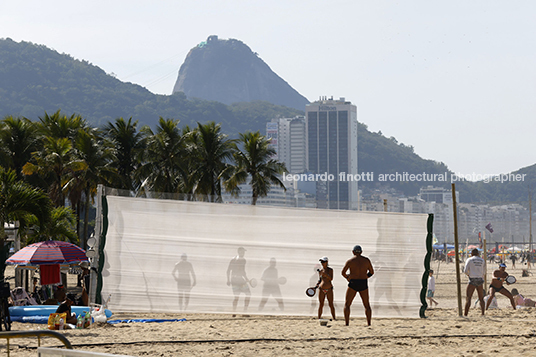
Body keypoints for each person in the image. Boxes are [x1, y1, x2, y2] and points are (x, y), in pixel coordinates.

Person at [341, 245, 374, 326]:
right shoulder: (366, 260)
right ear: (361, 252)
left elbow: (343, 273)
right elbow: (372, 272)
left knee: (347, 304)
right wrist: (366, 276)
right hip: (363, 282)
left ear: (353, 252)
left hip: (353, 282)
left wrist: (347, 277)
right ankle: (369, 323)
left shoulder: (350, 261)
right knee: (366, 305)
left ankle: (347, 323)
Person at [226, 247, 251, 311]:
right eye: (243, 252)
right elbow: (242, 271)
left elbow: (228, 270)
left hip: (234, 280)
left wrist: (228, 280)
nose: (244, 253)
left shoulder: (233, 259)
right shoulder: (243, 260)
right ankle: (244, 311)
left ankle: (234, 311)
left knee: (236, 297)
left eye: (244, 252)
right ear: (239, 252)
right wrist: (247, 279)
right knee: (248, 294)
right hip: (239, 280)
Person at [464, 248, 486, 316]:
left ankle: (465, 314)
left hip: (472, 279)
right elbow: (484, 272)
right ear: (478, 254)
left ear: (471, 254)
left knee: (468, 298)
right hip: (479, 279)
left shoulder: (469, 260)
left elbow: (465, 271)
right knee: (481, 298)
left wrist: (469, 275)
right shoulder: (482, 260)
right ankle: (482, 313)